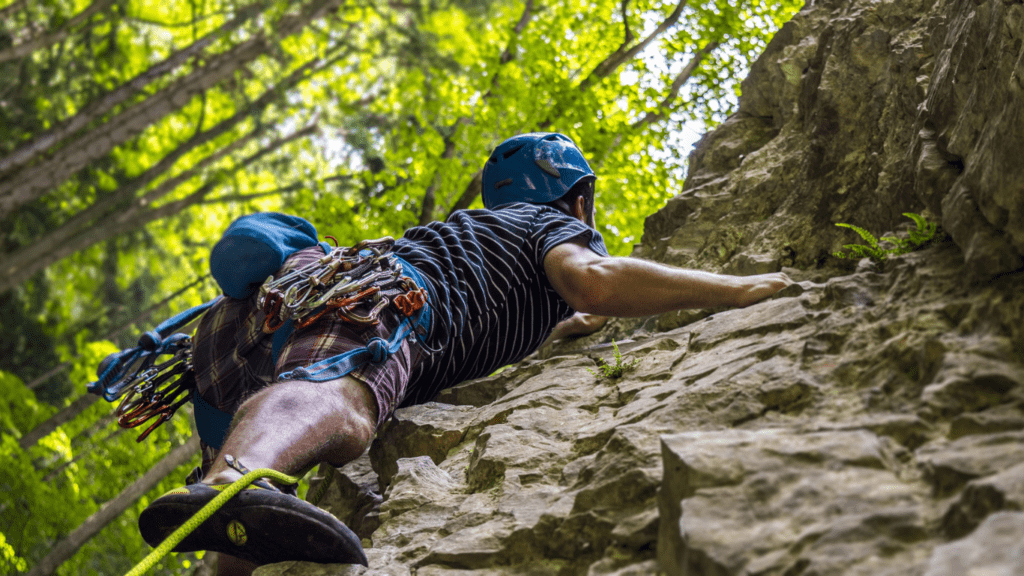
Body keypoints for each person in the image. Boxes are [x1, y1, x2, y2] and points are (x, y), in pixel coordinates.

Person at [138, 132, 792, 575]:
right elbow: (593, 280)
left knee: (252, 500)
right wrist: (739, 290)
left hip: (241, 331)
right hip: (378, 294)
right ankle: (230, 482)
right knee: (345, 401)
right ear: (578, 200)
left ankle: (227, 512)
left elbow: (562, 315)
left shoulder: (482, 241)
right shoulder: (550, 227)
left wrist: (573, 325)